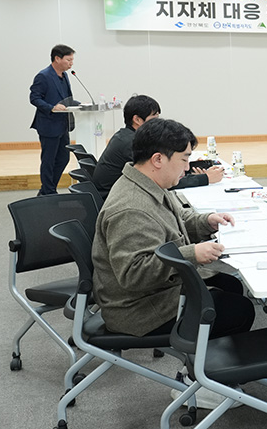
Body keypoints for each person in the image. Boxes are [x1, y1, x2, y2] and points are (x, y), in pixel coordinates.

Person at [91, 117, 254, 338]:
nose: (187, 168)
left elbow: (177, 219)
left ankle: (207, 349)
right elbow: (134, 274)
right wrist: (192, 254)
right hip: (139, 309)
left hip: (156, 291)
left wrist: (207, 221)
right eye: (184, 159)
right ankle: (201, 357)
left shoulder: (148, 182)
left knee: (231, 286)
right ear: (158, 159)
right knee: (240, 311)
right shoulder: (131, 208)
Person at [92, 95, 221, 197]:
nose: (157, 122)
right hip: (116, 197)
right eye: (154, 117)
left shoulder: (125, 136)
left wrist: (187, 167)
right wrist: (205, 178)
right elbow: (160, 179)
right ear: (137, 120)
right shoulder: (130, 144)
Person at [29, 44, 76, 196]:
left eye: (72, 60)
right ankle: (48, 192)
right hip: (49, 125)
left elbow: (67, 99)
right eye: (68, 60)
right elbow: (34, 98)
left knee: (63, 158)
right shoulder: (43, 76)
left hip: (63, 124)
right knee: (48, 160)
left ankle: (47, 190)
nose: (71, 63)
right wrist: (51, 107)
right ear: (57, 58)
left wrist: (82, 105)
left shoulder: (65, 75)